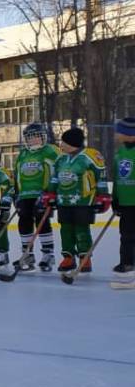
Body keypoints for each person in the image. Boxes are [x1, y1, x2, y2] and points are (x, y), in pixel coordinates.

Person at [50, 127, 108, 274]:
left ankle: (85, 257)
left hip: (84, 200)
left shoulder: (91, 156)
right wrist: (49, 193)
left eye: (64, 142)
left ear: (73, 143)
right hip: (64, 201)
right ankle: (68, 257)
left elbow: (100, 177)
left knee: (81, 229)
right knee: (66, 230)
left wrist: (103, 195)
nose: (61, 145)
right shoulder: (60, 159)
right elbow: (55, 178)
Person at [12, 122, 60, 271]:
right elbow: (17, 174)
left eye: (37, 137)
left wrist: (52, 192)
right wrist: (16, 193)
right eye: (30, 137)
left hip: (43, 194)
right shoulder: (23, 154)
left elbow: (57, 171)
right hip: (25, 194)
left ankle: (48, 254)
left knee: (42, 221)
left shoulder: (51, 151)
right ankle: (28, 254)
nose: (33, 140)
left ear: (43, 137)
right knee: (24, 221)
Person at [112, 117, 135, 282]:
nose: (116, 134)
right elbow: (117, 178)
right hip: (125, 202)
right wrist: (116, 199)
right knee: (126, 234)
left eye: (120, 131)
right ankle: (126, 263)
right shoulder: (119, 153)